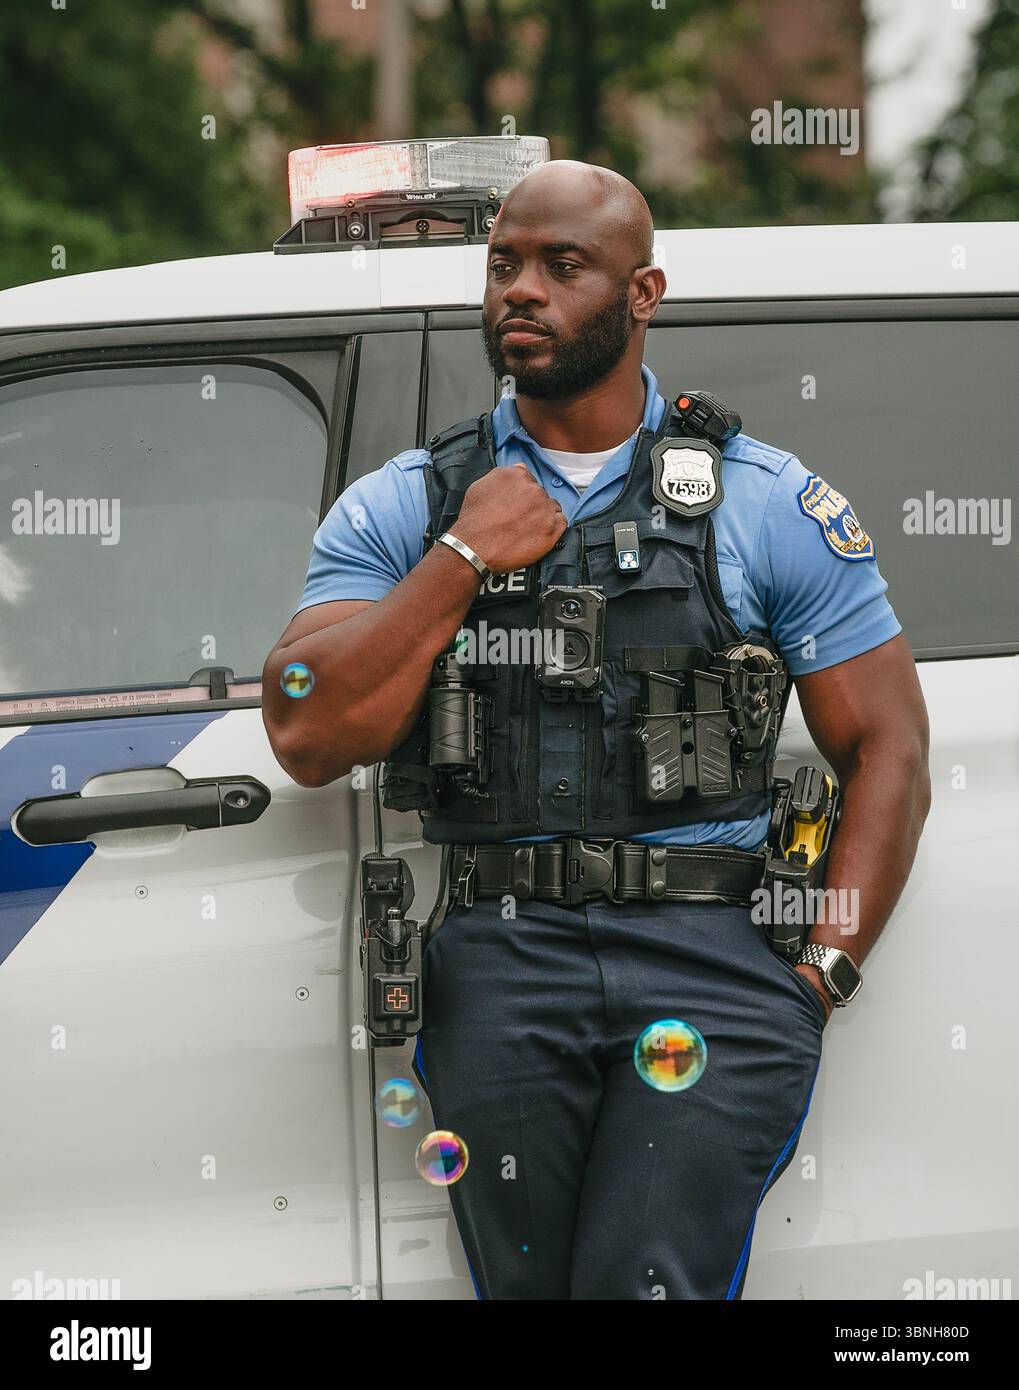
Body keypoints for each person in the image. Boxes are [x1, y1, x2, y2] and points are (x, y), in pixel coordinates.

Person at [262, 160, 931, 1301]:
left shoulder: (760, 499)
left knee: (645, 1282)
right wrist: (461, 560)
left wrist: (817, 970)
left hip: (709, 962)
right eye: (503, 264)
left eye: (561, 266)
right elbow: (309, 731)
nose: (519, 290)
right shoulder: (411, 504)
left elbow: (890, 751)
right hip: (500, 960)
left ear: (641, 293)